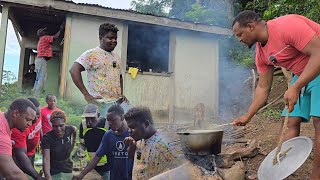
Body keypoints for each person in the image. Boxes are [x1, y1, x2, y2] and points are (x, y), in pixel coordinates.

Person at [232, 10, 320, 179]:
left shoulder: (287, 26)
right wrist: (248, 116)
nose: (239, 40)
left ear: (250, 27)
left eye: (240, 34)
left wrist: (295, 88)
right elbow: (263, 88)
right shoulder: (261, 53)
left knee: (319, 121)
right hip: (302, 74)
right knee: (289, 121)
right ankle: (279, 170)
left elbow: (319, 53)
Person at [69, 23, 131, 117]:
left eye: (115, 38)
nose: (114, 41)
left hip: (117, 103)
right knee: (100, 129)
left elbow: (120, 77)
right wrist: (86, 95)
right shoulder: (92, 54)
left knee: (128, 123)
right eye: (110, 38)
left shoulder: (116, 57)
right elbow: (74, 70)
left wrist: (121, 95)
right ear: (101, 37)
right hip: (100, 104)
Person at [72, 105, 133, 180]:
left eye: (113, 120)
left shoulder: (133, 134)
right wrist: (81, 175)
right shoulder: (108, 135)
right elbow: (97, 156)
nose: (110, 123)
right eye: (108, 121)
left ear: (122, 117)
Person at [124, 107, 183, 179]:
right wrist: (132, 147)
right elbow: (132, 156)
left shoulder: (162, 146)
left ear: (146, 124)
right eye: (128, 128)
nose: (129, 131)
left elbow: (179, 172)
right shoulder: (140, 140)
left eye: (133, 127)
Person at [0, 98, 37, 180]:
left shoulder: (2, 118)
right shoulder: (2, 133)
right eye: (28, 120)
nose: (30, 124)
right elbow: (13, 173)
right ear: (16, 113)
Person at [11, 98, 43, 179]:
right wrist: (38, 177)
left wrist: (43, 143)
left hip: (31, 154)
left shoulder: (37, 115)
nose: (36, 118)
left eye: (38, 114)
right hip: (21, 158)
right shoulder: (19, 128)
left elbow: (39, 128)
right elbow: (21, 154)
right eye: (30, 119)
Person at [41, 110, 77, 180]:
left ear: (65, 123)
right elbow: (46, 158)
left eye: (61, 125)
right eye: (55, 126)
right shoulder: (47, 138)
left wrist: (73, 144)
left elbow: (75, 130)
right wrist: (48, 176)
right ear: (51, 125)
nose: (58, 129)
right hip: (53, 167)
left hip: (67, 164)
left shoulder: (69, 129)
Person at [77, 104, 109, 179]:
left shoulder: (107, 124)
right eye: (87, 118)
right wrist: (81, 149)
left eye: (92, 118)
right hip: (90, 166)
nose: (89, 122)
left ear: (98, 115)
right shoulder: (83, 125)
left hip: (106, 166)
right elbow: (82, 143)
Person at [33, 24, 64, 97]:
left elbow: (45, 51)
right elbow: (55, 37)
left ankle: (35, 93)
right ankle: (37, 95)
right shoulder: (44, 38)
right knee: (42, 77)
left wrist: (53, 54)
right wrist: (61, 29)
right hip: (41, 60)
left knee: (39, 77)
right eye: (44, 31)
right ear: (41, 33)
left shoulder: (41, 40)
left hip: (39, 60)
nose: (45, 32)